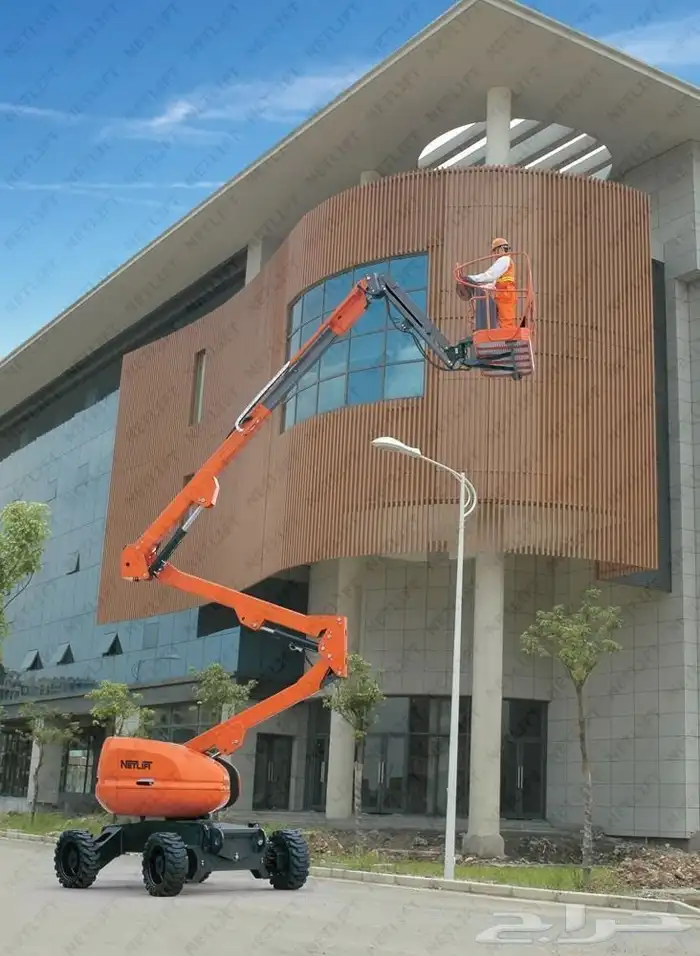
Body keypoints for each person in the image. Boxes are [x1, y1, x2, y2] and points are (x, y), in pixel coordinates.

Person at [459, 237, 517, 330]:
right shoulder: (505, 262)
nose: (494, 255)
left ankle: (506, 337)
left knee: (506, 321)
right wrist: (479, 286)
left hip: (506, 294)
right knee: (504, 320)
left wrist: (470, 278)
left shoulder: (504, 259)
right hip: (503, 294)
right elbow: (493, 283)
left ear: (500, 249)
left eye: (494, 251)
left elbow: (489, 275)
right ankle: (504, 335)